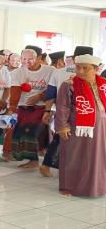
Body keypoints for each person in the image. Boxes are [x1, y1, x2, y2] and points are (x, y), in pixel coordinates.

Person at [55, 54, 106, 197]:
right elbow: (62, 106)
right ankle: (70, 187)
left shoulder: (103, 84)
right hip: (76, 128)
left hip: (101, 130)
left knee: (98, 157)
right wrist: (62, 126)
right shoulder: (69, 84)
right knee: (74, 157)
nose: (81, 71)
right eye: (78, 67)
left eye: (86, 68)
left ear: (96, 69)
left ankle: (97, 187)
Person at [40, 46, 92, 177]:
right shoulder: (91, 74)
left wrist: (47, 111)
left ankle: (50, 165)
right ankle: (52, 165)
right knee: (71, 140)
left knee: (60, 139)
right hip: (81, 112)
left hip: (64, 111)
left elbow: (50, 94)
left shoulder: (58, 72)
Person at [7, 46, 54, 168]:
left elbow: (53, 89)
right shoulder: (17, 73)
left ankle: (34, 161)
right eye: (24, 59)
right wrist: (11, 109)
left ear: (38, 59)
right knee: (20, 133)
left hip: (41, 107)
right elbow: (15, 92)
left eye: (30, 59)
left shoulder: (50, 70)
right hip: (23, 107)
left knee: (32, 133)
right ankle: (28, 157)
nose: (26, 62)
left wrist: (40, 96)